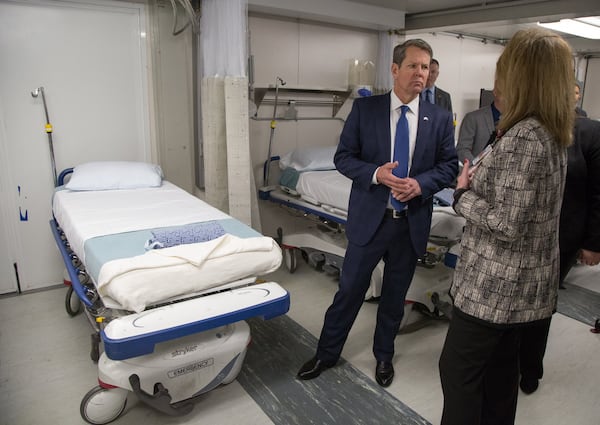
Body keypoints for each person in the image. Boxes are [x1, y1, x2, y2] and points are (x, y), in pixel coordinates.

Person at [296, 39, 458, 387]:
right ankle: (326, 353)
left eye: (426, 67)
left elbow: (448, 166)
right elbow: (343, 158)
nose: (421, 73)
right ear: (395, 69)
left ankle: (383, 357)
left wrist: (420, 184)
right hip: (371, 219)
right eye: (413, 66)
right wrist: (375, 174)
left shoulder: (440, 118)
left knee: (395, 298)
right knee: (349, 292)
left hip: (409, 224)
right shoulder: (366, 110)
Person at [438, 27, 574, 425]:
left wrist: (463, 197)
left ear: (522, 76)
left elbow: (507, 222)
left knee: (458, 374)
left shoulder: (525, 137)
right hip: (519, 290)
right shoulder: (547, 130)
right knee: (499, 378)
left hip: (493, 289)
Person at [518, 115, 600, 394]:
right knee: (515, 300)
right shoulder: (524, 124)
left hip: (562, 238)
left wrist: (593, 243)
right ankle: (506, 362)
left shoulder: (588, 133)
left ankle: (529, 369)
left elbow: (599, 193)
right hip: (521, 231)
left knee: (541, 305)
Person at [456, 82, 503, 163]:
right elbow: (462, 149)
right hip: (476, 173)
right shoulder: (472, 118)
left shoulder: (518, 123)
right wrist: (476, 166)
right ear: (495, 91)